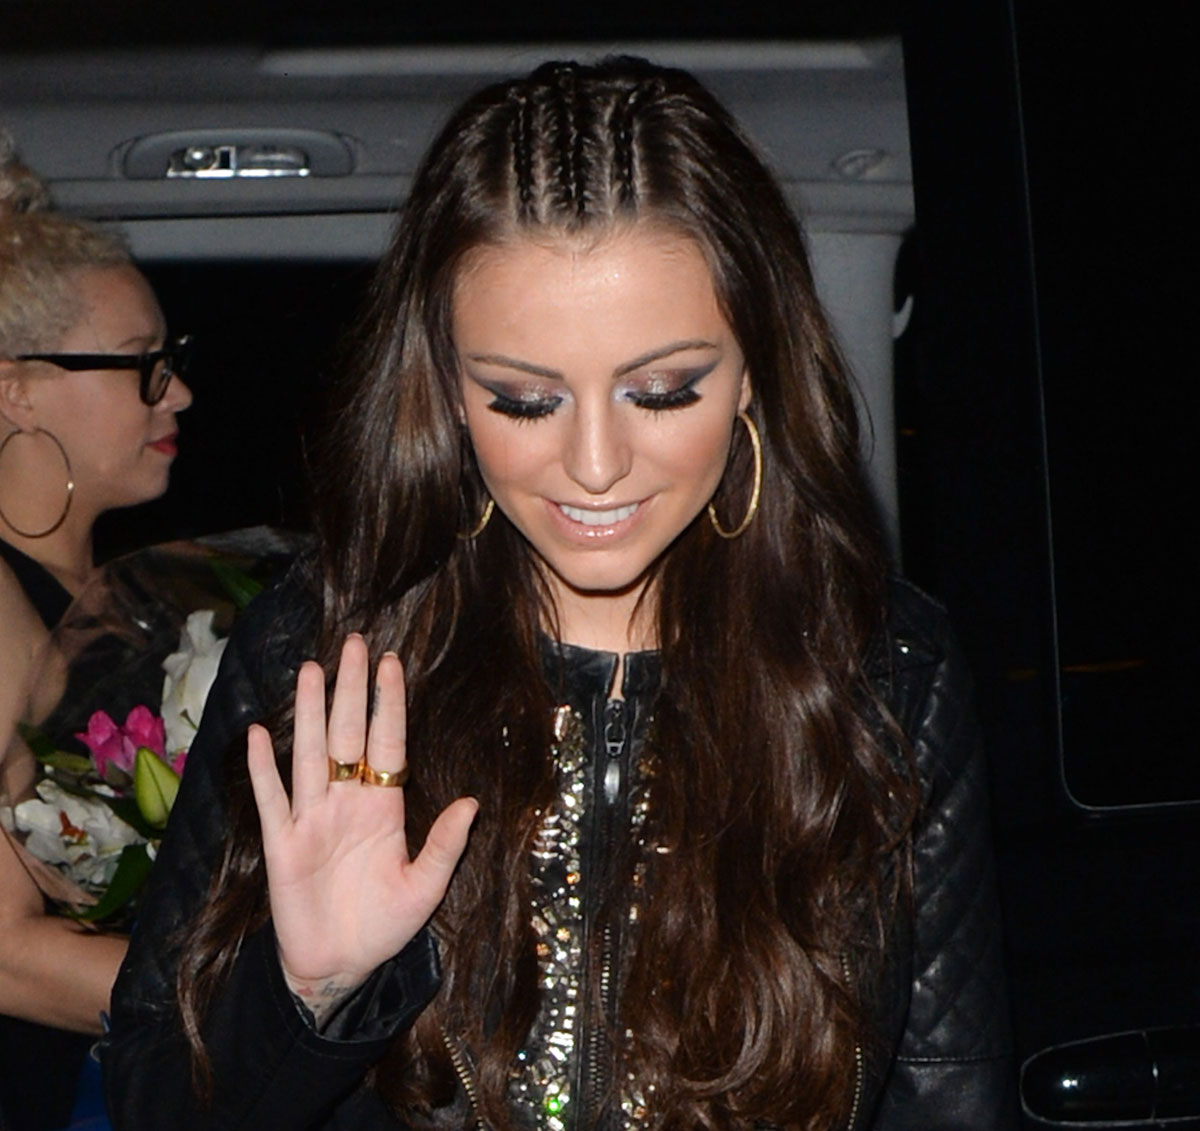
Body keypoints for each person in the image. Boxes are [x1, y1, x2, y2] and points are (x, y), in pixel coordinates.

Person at [102, 58, 1014, 1130]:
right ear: (446, 385)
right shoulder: (323, 654)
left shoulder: (882, 669)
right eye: (525, 400)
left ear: (757, 366)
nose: (594, 464)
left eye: (663, 389)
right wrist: (310, 991)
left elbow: (948, 1105)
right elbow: (155, 1103)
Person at [0, 135, 193, 1126]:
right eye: (140, 367)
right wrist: (241, 1011)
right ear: (15, 386)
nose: (178, 392)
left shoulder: (114, 593)